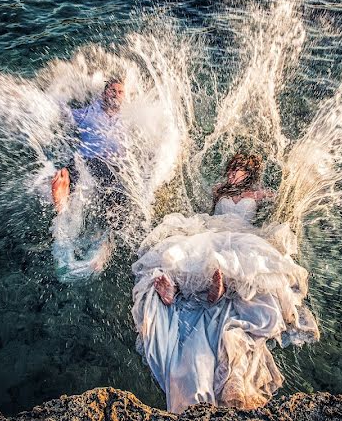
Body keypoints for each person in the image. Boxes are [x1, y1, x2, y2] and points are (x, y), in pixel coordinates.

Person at [131, 153, 319, 413]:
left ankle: (216, 291)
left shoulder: (258, 194)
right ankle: (177, 288)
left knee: (235, 264)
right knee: (185, 255)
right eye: (231, 169)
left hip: (242, 235)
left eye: (238, 170)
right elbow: (210, 213)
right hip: (215, 231)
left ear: (248, 173)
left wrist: (296, 183)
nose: (232, 174)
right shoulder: (218, 190)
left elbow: (283, 199)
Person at [51, 79, 127, 219]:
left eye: (120, 92)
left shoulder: (127, 120)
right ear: (104, 94)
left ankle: (108, 220)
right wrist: (54, 99)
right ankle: (61, 208)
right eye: (112, 91)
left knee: (118, 192)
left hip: (112, 166)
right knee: (64, 172)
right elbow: (64, 114)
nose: (116, 94)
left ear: (124, 96)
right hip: (86, 160)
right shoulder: (88, 113)